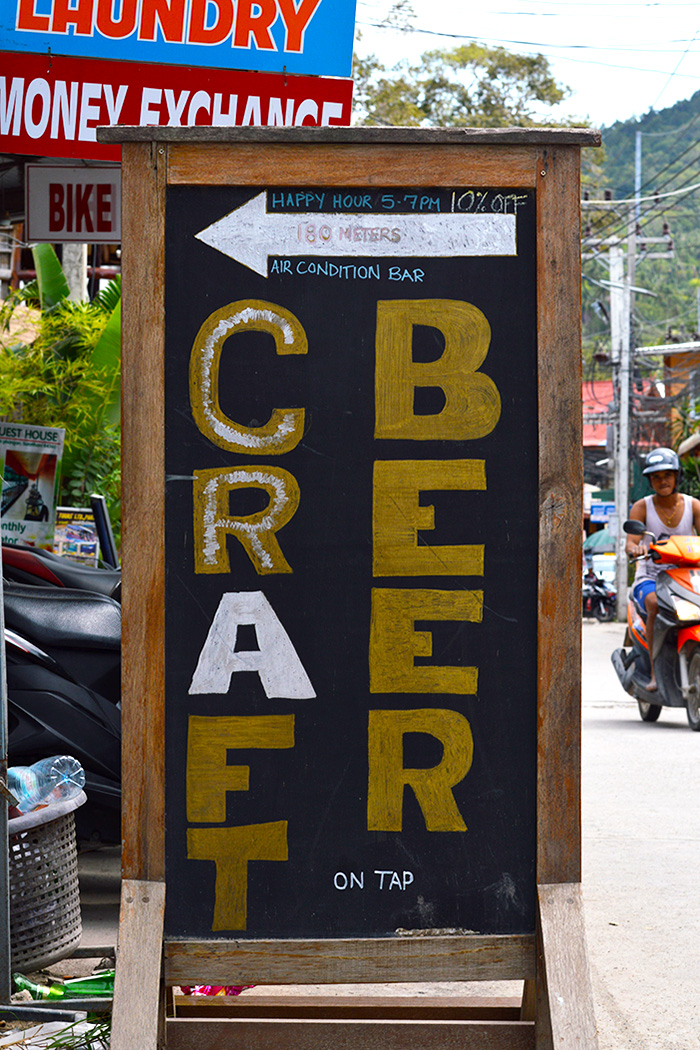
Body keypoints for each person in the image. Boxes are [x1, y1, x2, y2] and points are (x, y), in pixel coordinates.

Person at [626, 447, 700, 691]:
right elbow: (631, 542)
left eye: (667, 475)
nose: (662, 481)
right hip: (651, 578)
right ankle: (655, 671)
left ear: (677, 476)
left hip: (687, 576)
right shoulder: (642, 507)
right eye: (656, 477)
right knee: (654, 603)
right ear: (650, 481)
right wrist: (635, 549)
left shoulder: (694, 506)